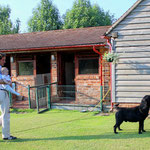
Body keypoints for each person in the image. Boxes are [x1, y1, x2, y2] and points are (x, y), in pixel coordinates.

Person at [0, 53, 17, 140]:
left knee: (4, 114)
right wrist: (8, 82)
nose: (4, 61)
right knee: (6, 114)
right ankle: (6, 136)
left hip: (2, 92)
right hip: (2, 93)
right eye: (3, 59)